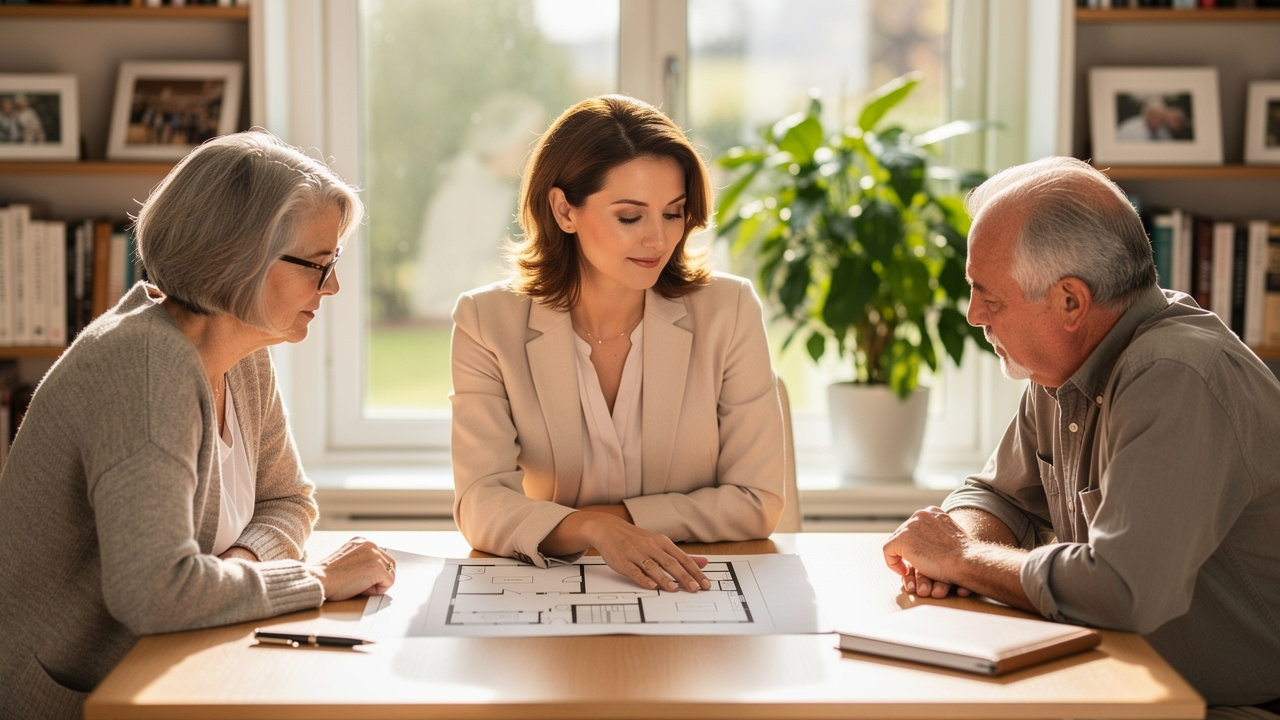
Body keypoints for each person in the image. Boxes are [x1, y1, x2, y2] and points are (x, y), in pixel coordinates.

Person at [0, 130, 398, 720]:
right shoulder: (143, 367)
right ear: (240, 259)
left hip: (179, 668)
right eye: (318, 264)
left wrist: (232, 570)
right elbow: (156, 593)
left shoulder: (243, 353)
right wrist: (313, 577)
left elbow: (289, 501)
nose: (332, 286)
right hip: (83, 699)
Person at [882, 156, 1280, 717]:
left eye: (988, 297)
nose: (973, 316)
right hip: (1124, 683)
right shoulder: (1064, 367)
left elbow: (1121, 589)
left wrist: (963, 557)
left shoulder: (1176, 377)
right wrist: (948, 554)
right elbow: (998, 496)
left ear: (1070, 301)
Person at [450, 95, 786, 593]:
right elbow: (480, 504)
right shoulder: (486, 321)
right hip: (554, 589)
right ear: (565, 210)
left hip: (694, 584)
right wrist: (593, 529)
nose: (658, 239)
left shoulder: (729, 309)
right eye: (630, 217)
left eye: (673, 214)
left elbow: (756, 501)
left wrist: (607, 520)